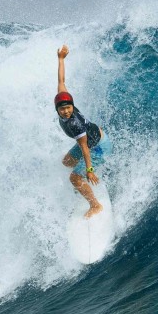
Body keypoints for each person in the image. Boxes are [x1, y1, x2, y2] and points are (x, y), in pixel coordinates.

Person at [55, 44, 112, 218]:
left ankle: (95, 205)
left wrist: (89, 170)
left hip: (99, 147)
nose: (66, 111)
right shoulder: (63, 100)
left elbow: (85, 148)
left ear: (72, 106)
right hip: (91, 141)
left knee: (74, 177)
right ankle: (82, 183)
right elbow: (61, 81)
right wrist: (61, 59)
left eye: (69, 108)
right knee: (66, 162)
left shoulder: (75, 124)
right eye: (63, 109)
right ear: (57, 108)